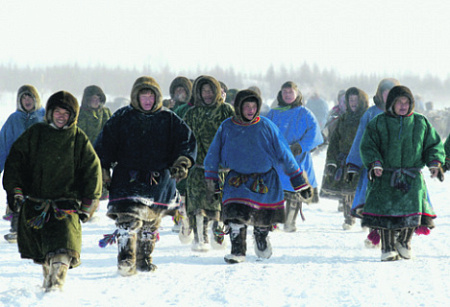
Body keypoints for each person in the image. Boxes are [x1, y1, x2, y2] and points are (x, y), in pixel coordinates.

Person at [95, 76, 197, 276]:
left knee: (150, 222)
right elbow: (104, 144)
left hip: (158, 180)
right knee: (127, 218)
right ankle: (125, 258)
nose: (148, 99)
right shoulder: (122, 117)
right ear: (136, 96)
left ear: (157, 96)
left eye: (151, 95)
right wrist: (104, 169)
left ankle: (144, 258)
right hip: (127, 178)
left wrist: (182, 162)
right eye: (144, 95)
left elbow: (186, 142)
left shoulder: (169, 119)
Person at [3, 91, 102, 291]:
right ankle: (49, 281)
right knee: (46, 253)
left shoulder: (78, 138)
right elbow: (16, 162)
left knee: (64, 248)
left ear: (72, 116)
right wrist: (16, 191)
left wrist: (89, 202)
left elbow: (92, 170)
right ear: (50, 112)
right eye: (57, 112)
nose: (61, 117)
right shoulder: (35, 133)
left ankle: (56, 286)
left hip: (66, 206)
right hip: (37, 205)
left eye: (66, 113)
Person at [204, 89, 313, 263]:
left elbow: (285, 154)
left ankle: (261, 237)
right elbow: (213, 154)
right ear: (239, 107)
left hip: (265, 181)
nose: (250, 110)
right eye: (246, 106)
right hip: (236, 180)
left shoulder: (267, 126)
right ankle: (238, 251)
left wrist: (299, 182)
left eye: (254, 106)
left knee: (261, 218)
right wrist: (211, 181)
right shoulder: (227, 126)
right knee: (234, 216)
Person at [359, 85, 445, 261]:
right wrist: (375, 163)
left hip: (411, 176)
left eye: (407, 102)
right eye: (399, 102)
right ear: (391, 103)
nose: (403, 105)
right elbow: (368, 145)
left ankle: (404, 242)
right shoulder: (379, 122)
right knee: (386, 212)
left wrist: (435, 163)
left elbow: (433, 145)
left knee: (413, 210)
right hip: (384, 175)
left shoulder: (421, 122)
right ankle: (388, 247)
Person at [345, 78, 399, 247]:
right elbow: (361, 139)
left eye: (391, 91)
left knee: (396, 201)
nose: (387, 95)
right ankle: (374, 234)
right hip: (373, 167)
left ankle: (395, 234)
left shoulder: (403, 112)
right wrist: (353, 163)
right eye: (385, 91)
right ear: (379, 93)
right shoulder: (370, 113)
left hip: (396, 166)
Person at [183, 75, 235, 252]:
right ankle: (199, 236)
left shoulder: (226, 111)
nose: (207, 94)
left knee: (218, 201)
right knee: (197, 203)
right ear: (198, 92)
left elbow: (237, 135)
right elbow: (184, 139)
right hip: (198, 167)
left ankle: (218, 232)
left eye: (211, 90)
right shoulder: (191, 113)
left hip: (220, 168)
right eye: (203, 90)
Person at [267, 81, 323, 232]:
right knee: (276, 190)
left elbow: (314, 133)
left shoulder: (304, 113)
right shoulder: (274, 113)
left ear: (297, 94)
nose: (287, 95)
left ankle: (290, 221)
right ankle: (275, 220)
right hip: (278, 158)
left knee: (295, 188)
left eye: (290, 92)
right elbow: (266, 132)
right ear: (280, 94)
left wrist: (300, 146)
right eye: (285, 92)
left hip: (298, 158)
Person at [0, 85, 45, 243]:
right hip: (18, 165)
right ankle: (16, 228)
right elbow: (3, 145)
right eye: (24, 98)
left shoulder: (44, 117)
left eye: (30, 97)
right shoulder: (13, 119)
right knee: (17, 195)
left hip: (39, 165)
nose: (27, 101)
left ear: (36, 99)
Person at [320, 87, 369, 230]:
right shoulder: (343, 119)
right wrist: (331, 161)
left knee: (361, 190)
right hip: (345, 160)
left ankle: (364, 217)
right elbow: (334, 142)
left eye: (356, 100)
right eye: (350, 100)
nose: (353, 103)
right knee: (347, 192)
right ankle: (349, 218)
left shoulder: (368, 118)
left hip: (363, 160)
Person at [77, 85, 112, 202]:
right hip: (86, 153)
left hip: (103, 152)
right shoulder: (80, 114)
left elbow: (112, 130)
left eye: (98, 99)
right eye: (92, 99)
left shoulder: (106, 113)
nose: (95, 102)